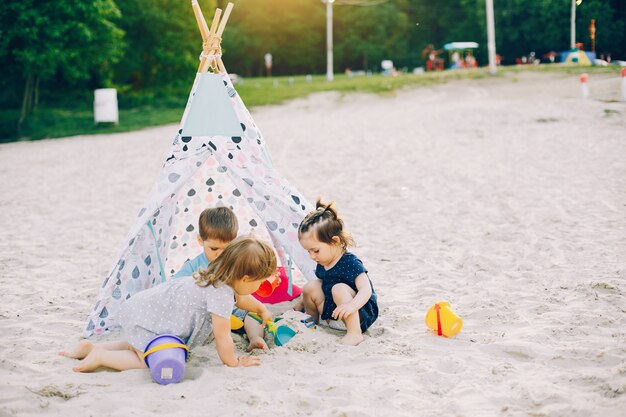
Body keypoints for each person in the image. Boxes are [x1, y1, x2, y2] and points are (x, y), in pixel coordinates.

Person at [60, 236, 277, 372]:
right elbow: (223, 336)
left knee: (137, 344)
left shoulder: (218, 276)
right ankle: (103, 357)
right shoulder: (220, 294)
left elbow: (242, 298)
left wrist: (261, 309)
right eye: (259, 282)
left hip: (146, 311)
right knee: (148, 359)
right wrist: (233, 361)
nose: (259, 287)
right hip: (152, 319)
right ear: (246, 279)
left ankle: (92, 347)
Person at [173, 207, 268, 351]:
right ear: (200, 240)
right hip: (210, 314)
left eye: (226, 249)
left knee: (253, 316)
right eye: (213, 249)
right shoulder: (194, 267)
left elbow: (242, 295)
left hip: (235, 310)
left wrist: (261, 308)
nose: (220, 254)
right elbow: (175, 286)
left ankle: (255, 338)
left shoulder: (235, 261)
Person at [297, 199, 378, 346]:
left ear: (334, 241)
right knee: (311, 286)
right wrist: (300, 303)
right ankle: (311, 321)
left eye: (315, 250)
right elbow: (322, 284)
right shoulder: (323, 261)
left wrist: (351, 306)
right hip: (334, 314)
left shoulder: (350, 262)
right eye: (308, 251)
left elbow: (366, 289)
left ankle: (354, 334)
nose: (312, 256)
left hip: (357, 315)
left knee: (338, 288)